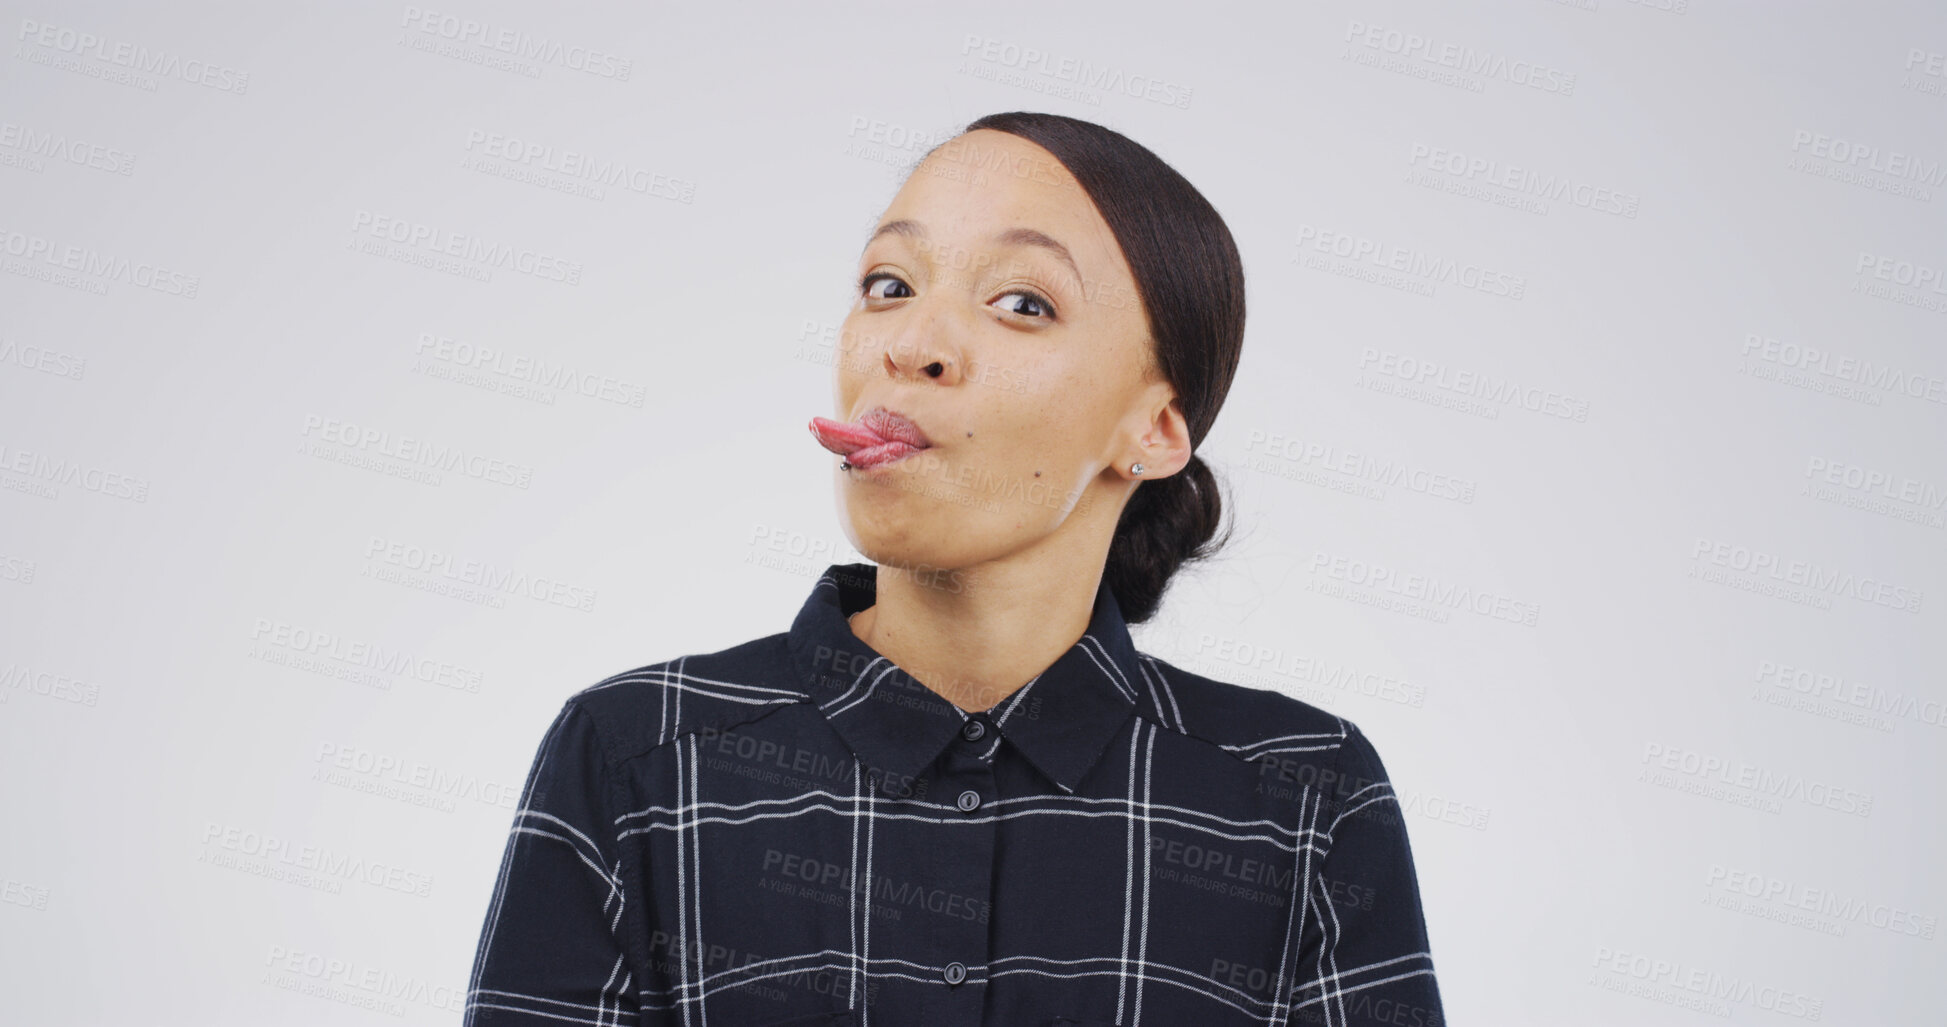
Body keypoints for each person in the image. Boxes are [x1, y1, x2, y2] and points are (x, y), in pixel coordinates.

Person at [463, 110, 1444, 1026]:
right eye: (889, 286)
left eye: (1022, 303)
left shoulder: (1307, 798)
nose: (912, 345)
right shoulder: (632, 760)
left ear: (1151, 429)